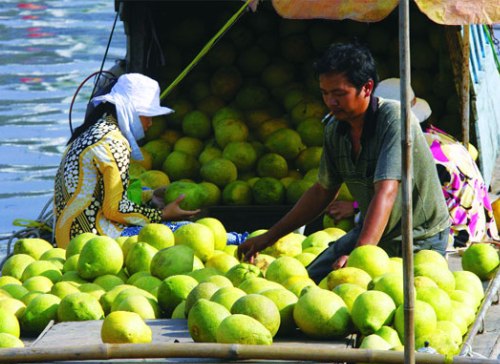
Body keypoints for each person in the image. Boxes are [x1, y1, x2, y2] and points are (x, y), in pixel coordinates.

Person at [237, 42, 451, 284]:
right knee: (308, 282)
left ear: (367, 88)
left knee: (394, 303)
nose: (330, 102)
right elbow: (321, 191)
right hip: (373, 232)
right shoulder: (334, 130)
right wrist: (268, 237)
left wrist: (359, 255)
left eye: (339, 94)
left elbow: (387, 190)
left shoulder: (395, 119)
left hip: (419, 238)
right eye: (325, 93)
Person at [53, 73, 199, 249]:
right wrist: (161, 215)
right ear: (132, 110)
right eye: (148, 115)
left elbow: (104, 194)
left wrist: (149, 196)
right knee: (187, 230)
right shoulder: (114, 141)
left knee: (144, 194)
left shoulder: (93, 132)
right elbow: (114, 208)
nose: (151, 123)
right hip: (91, 242)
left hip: (67, 237)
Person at [370, 77, 498, 247]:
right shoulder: (435, 137)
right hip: (479, 231)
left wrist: (356, 209)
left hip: (456, 239)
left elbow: (396, 204)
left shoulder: (417, 153)